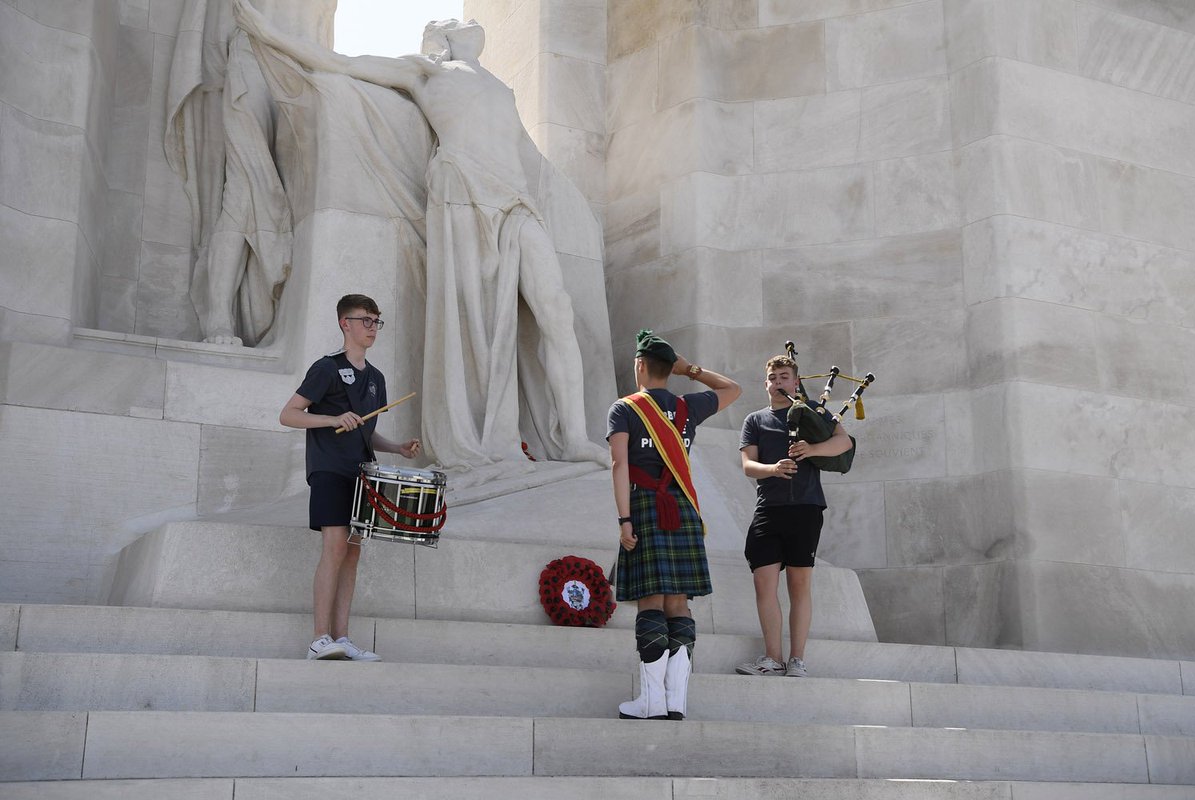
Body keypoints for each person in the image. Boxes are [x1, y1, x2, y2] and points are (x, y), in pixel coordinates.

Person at [234, 0, 606, 472]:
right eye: (454, 21)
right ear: (440, 39)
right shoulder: (426, 72)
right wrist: (269, 32)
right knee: (478, 319)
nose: (469, 21)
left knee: (556, 308)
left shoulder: (501, 87)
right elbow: (344, 63)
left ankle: (573, 435)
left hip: (515, 203)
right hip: (465, 195)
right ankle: (487, 432)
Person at [279, 293, 421, 660]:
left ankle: (341, 638)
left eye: (377, 321)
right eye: (366, 320)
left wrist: (398, 447)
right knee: (335, 547)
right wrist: (331, 419)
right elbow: (290, 414)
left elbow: (365, 431)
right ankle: (318, 638)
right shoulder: (326, 368)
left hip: (362, 473)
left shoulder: (376, 378)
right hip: (329, 469)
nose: (373, 328)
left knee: (353, 553)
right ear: (346, 323)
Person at [608, 330, 740, 719]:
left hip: (647, 505)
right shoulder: (687, 407)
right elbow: (732, 389)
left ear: (639, 365)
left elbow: (619, 465)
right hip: (682, 507)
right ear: (671, 368)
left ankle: (651, 701)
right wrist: (691, 369)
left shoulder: (625, 408)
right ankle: (676, 701)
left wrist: (624, 519)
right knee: (679, 604)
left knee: (650, 599)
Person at [736, 354, 852, 677]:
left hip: (805, 507)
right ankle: (772, 657)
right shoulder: (755, 421)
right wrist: (773, 469)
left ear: (796, 381)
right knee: (764, 583)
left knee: (799, 585)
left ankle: (797, 659)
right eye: (773, 378)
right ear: (766, 383)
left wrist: (811, 450)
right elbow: (748, 465)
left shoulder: (811, 412)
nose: (778, 383)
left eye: (784, 377)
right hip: (768, 510)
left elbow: (843, 442)